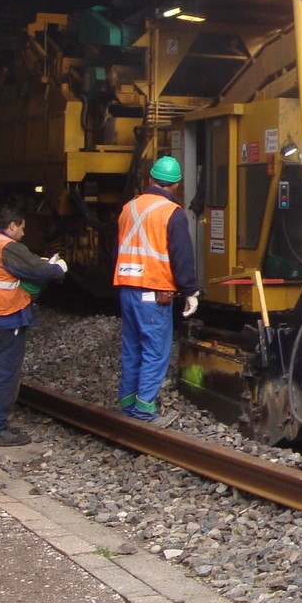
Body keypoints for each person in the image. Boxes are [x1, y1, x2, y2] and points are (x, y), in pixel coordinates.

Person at [0, 206, 68, 446]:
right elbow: (40, 271)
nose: (23, 234)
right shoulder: (7, 247)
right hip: (4, 318)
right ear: (12, 225)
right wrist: (59, 268)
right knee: (4, 375)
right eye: (22, 228)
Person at [114, 155, 200, 422]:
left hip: (127, 290)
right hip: (153, 293)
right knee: (155, 352)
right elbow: (181, 256)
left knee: (132, 350)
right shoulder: (172, 213)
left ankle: (128, 405)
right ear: (176, 185)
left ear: (150, 179)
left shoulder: (128, 208)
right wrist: (190, 290)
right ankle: (143, 410)